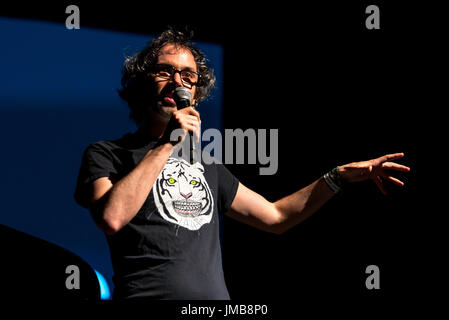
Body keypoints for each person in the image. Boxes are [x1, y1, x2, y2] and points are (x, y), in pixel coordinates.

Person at [74, 29, 410, 300]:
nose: (178, 82)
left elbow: (276, 217)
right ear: (141, 82)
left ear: (197, 91)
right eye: (165, 71)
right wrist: (166, 146)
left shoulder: (207, 166)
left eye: (188, 76)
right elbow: (111, 217)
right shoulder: (107, 153)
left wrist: (337, 177)